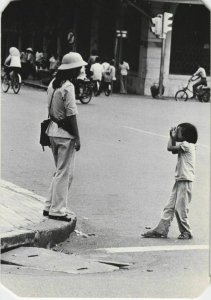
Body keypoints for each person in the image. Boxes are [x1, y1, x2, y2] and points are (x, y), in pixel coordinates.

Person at [43, 52, 87, 222]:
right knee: (65, 173)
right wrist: (77, 137)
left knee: (59, 171)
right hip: (65, 135)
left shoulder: (53, 84)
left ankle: (49, 206)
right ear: (73, 70)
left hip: (52, 130)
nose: (80, 71)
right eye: (78, 68)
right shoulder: (68, 86)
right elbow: (72, 114)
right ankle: (58, 210)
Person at [142, 123, 198, 240]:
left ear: (186, 135)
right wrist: (173, 138)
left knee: (180, 208)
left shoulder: (187, 145)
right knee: (169, 206)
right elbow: (173, 151)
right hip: (180, 180)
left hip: (185, 181)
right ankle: (161, 229)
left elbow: (170, 148)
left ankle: (187, 231)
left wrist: (171, 137)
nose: (176, 133)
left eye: (179, 132)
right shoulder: (186, 145)